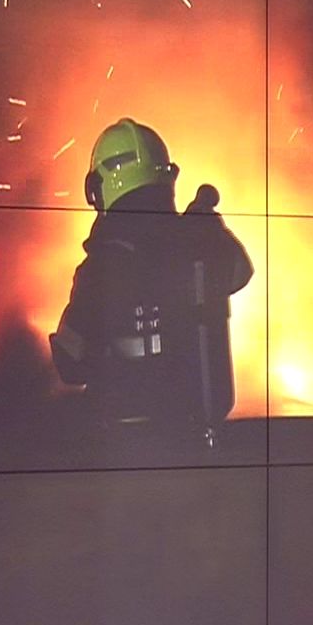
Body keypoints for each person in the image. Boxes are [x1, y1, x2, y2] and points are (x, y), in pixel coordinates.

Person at [49, 118, 252, 437]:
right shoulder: (194, 245)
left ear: (103, 187)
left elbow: (69, 365)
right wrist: (211, 231)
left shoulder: (100, 268)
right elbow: (241, 272)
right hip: (196, 436)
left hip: (123, 445)